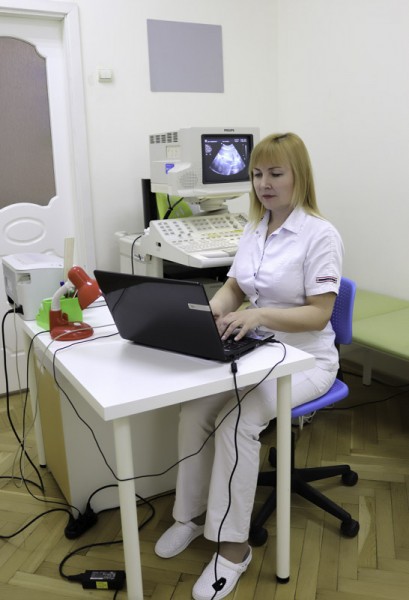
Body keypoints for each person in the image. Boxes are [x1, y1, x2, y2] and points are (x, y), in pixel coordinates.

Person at [154, 132, 344, 600]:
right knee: (195, 409)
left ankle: (234, 549)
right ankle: (189, 516)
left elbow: (320, 314)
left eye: (276, 173)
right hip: (258, 349)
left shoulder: (320, 234)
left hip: (306, 360)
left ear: (300, 176)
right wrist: (213, 312)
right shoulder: (255, 229)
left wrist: (258, 316)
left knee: (236, 422)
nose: (264, 183)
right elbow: (235, 288)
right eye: (258, 174)